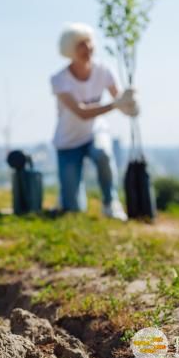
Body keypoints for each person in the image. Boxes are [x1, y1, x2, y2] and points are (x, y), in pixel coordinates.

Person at [51, 23, 138, 221]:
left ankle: (110, 203)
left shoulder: (103, 71)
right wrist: (117, 104)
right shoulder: (59, 80)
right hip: (68, 141)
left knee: (103, 154)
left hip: (95, 133)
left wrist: (131, 104)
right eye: (81, 44)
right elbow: (81, 112)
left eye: (89, 42)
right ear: (70, 50)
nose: (87, 48)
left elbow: (120, 100)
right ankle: (68, 195)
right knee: (73, 209)